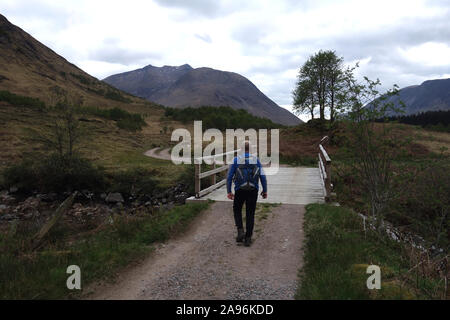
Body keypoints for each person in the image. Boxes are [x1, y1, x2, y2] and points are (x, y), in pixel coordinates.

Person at [227, 141, 267, 247]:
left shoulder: (236, 160)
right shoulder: (256, 160)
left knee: (237, 209)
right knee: (250, 213)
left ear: (241, 149)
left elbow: (229, 177)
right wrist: (265, 190)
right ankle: (248, 238)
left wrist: (229, 191)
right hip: (253, 190)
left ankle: (240, 230)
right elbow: (262, 176)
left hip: (240, 189)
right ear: (250, 149)